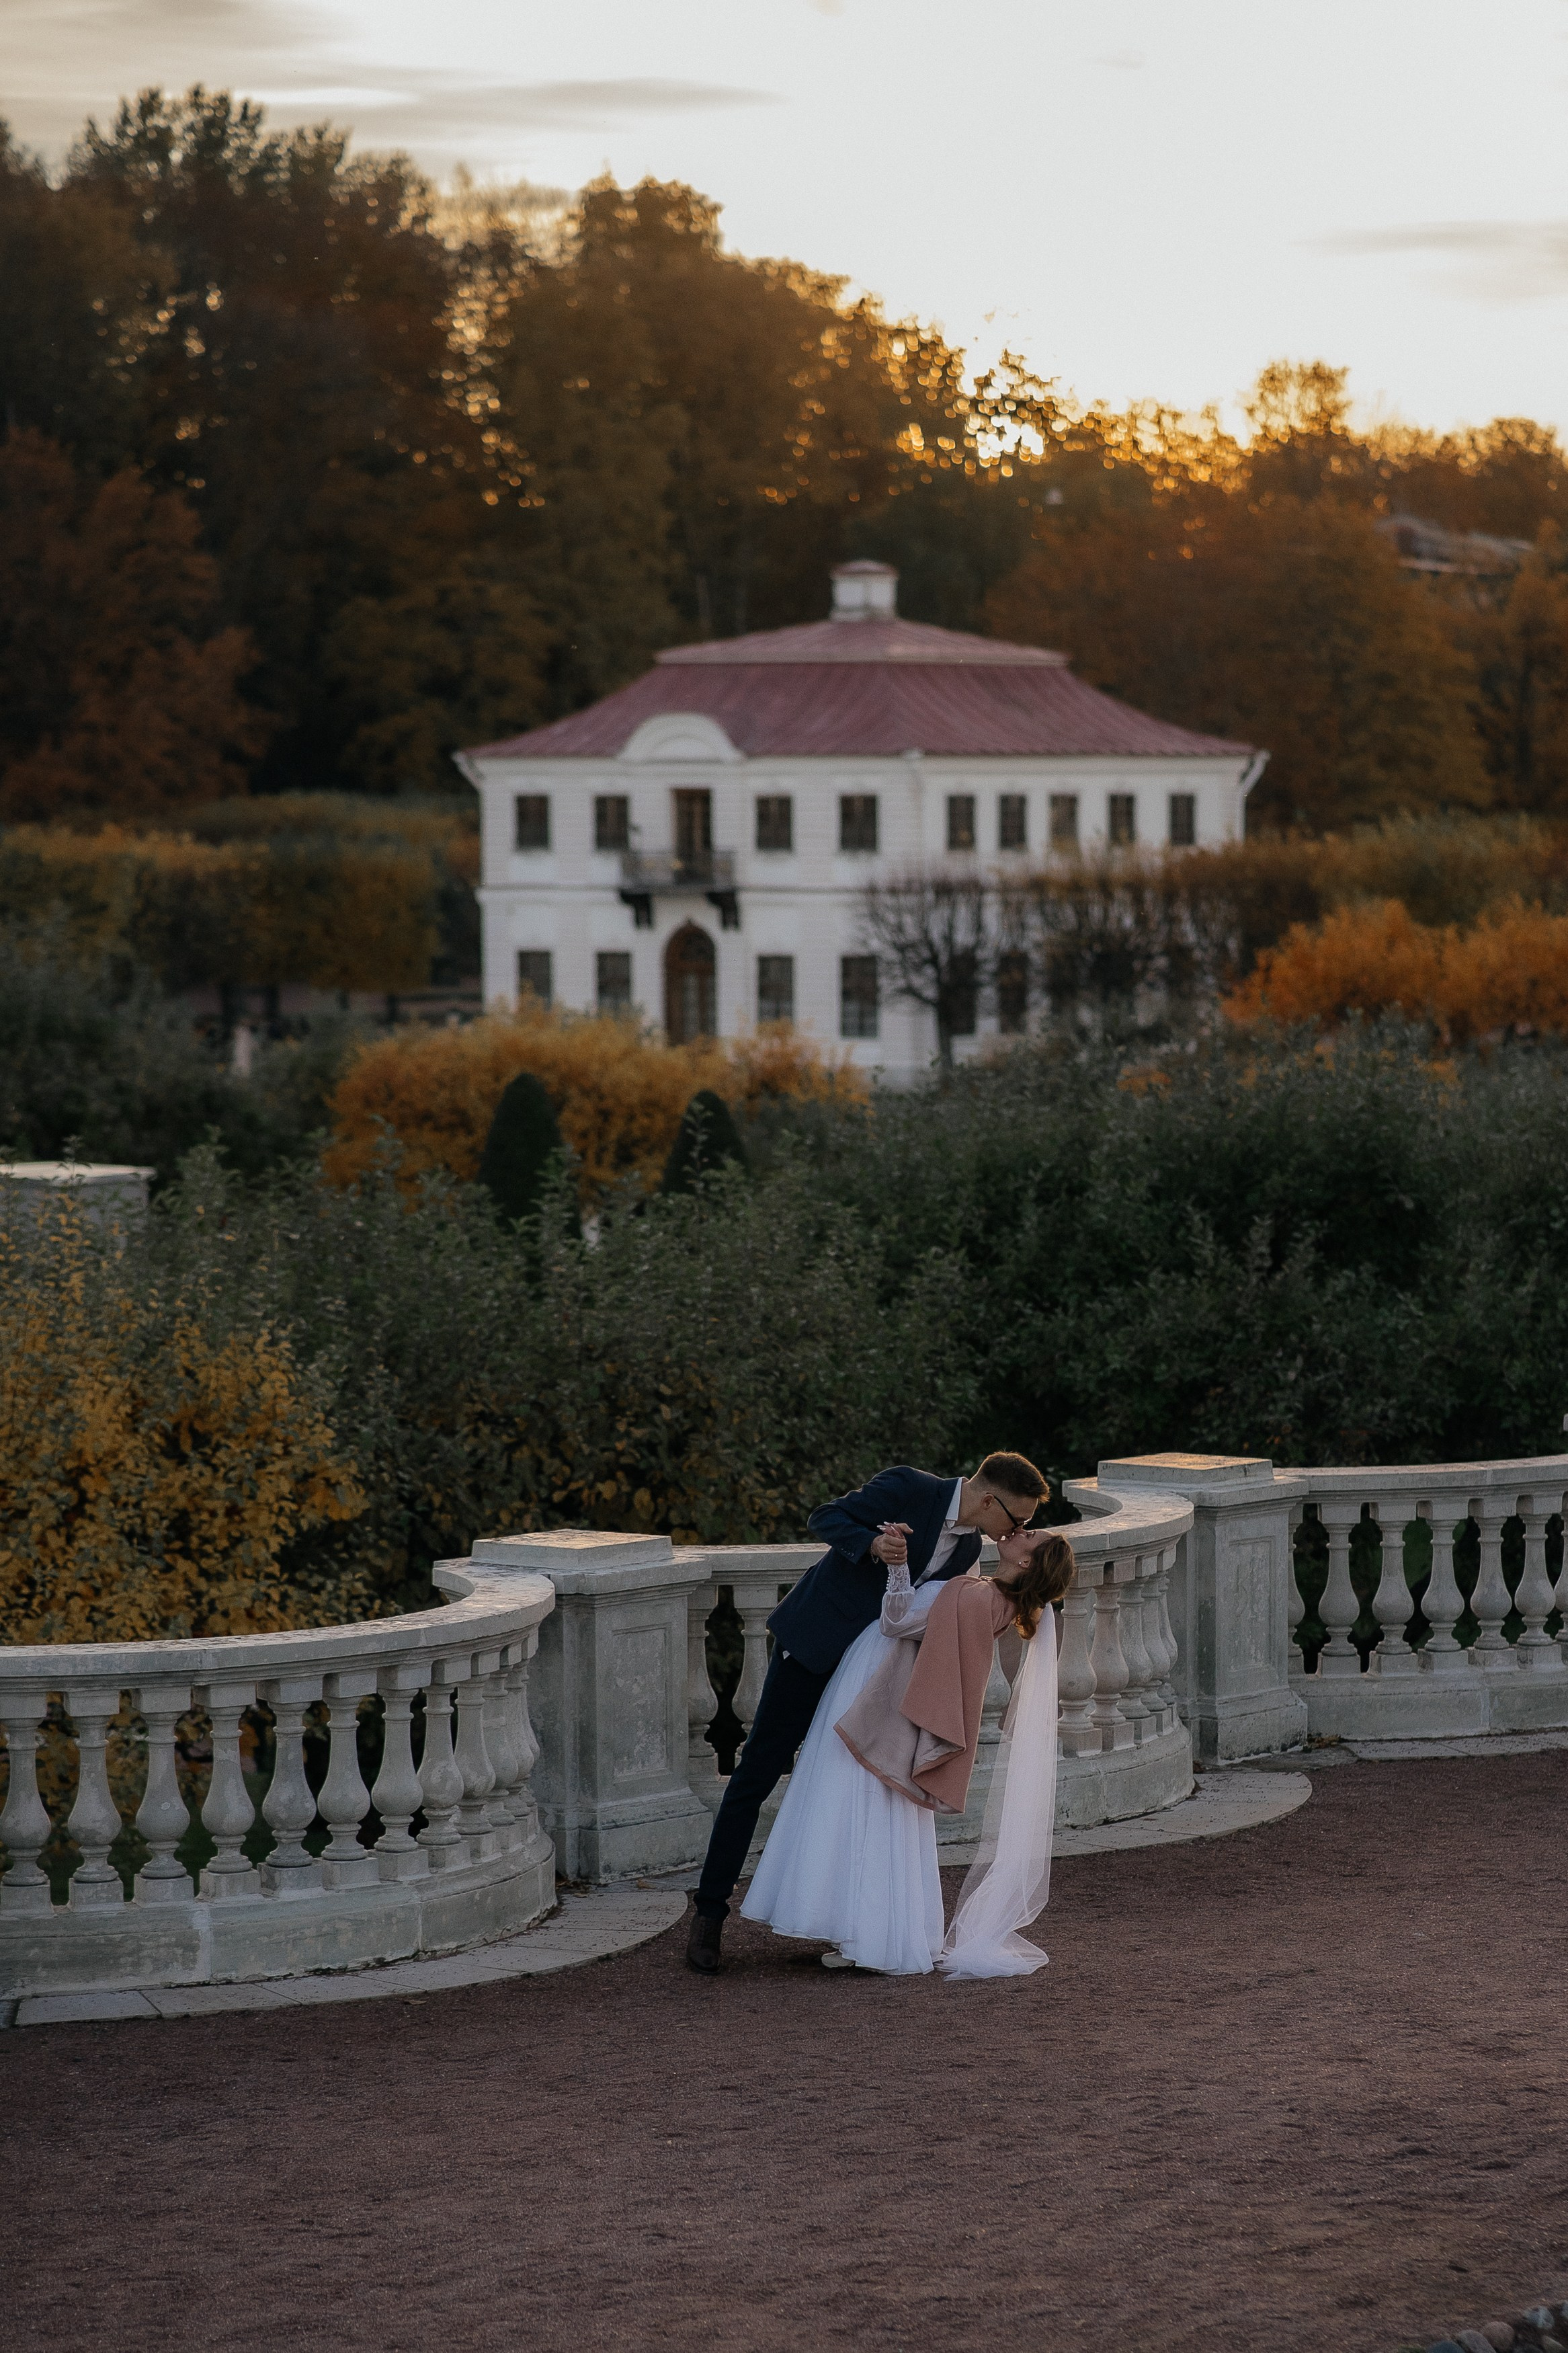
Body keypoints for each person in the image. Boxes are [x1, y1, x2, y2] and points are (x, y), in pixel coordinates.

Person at [685, 1453, 1048, 1975]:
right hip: (815, 1647)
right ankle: (709, 1916)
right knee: (755, 1776)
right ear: (989, 1500)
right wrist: (873, 1544)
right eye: (1018, 1521)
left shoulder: (969, 1545)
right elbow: (824, 1517)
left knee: (854, 1795)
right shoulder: (907, 1487)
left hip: (874, 1682)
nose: (1017, 1530)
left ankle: (851, 1919)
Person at [740, 1524, 1075, 1975]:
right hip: (900, 1703)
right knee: (884, 1823)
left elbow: (895, 1622)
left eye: (1030, 1534)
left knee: (855, 1807)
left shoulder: (975, 1597)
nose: (1020, 1530)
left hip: (888, 1700)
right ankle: (874, 1931)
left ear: (1026, 1562)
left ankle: (868, 1935)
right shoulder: (996, 1601)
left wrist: (898, 1569)